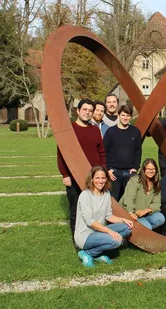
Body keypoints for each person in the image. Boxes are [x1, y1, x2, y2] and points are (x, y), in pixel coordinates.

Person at [57, 98, 106, 239]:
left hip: (93, 178)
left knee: (93, 210)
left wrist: (102, 172)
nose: (88, 112)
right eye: (85, 109)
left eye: (90, 110)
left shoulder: (95, 130)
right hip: (73, 177)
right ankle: (77, 238)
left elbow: (101, 152)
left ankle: (93, 236)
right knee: (75, 210)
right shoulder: (69, 129)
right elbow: (61, 153)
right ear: (78, 111)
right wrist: (65, 174)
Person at [74, 166, 133, 268]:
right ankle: (88, 253)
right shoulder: (85, 195)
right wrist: (109, 231)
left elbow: (108, 216)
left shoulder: (106, 194)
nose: (100, 181)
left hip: (98, 231)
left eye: (103, 178)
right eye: (97, 178)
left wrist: (124, 220)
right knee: (116, 241)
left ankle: (96, 253)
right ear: (92, 179)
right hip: (85, 235)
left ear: (106, 179)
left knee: (127, 228)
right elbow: (89, 221)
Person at [103, 105, 142, 201]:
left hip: (130, 172)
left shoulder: (135, 131)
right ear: (119, 115)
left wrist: (136, 167)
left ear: (131, 117)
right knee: (113, 200)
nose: (125, 118)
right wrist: (108, 169)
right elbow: (105, 151)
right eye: (123, 115)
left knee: (130, 199)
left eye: (128, 116)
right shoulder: (110, 131)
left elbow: (138, 150)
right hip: (114, 172)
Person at [119, 158, 165, 231]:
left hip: (145, 213)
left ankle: (140, 230)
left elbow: (157, 203)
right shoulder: (135, 180)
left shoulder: (156, 184)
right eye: (148, 169)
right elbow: (129, 199)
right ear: (144, 170)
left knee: (160, 218)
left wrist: (146, 210)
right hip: (131, 213)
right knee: (147, 227)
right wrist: (131, 213)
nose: (151, 171)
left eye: (153, 169)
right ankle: (130, 231)